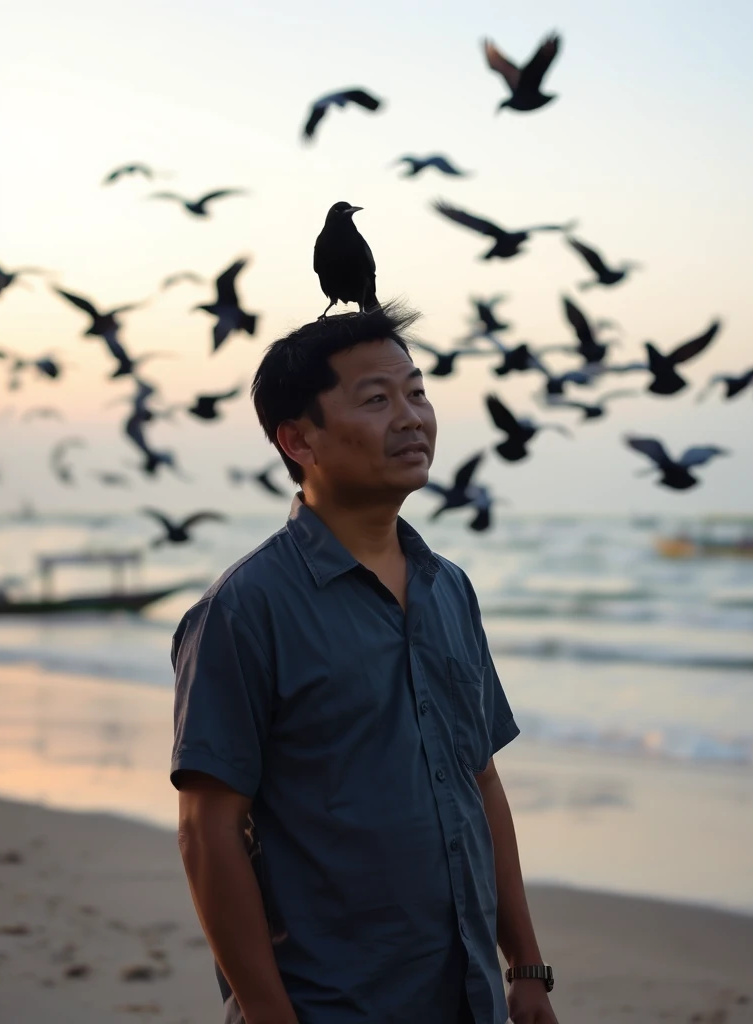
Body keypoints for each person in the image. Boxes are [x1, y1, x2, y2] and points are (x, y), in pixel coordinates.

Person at [170, 304, 557, 1024]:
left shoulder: (449, 589)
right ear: (298, 439)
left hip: (467, 999)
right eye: (376, 400)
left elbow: (481, 781)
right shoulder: (245, 609)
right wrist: (266, 1013)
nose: (411, 417)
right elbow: (206, 828)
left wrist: (526, 967)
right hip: (329, 1002)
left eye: (417, 392)